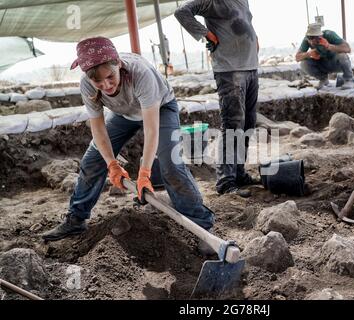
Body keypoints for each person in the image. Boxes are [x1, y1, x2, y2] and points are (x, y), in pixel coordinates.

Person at [42, 37, 214, 246]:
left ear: (119, 65)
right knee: (92, 160)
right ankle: (76, 219)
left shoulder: (140, 73)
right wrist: (112, 165)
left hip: (160, 108)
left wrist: (144, 173)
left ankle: (203, 227)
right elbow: (98, 128)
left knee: (170, 164)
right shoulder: (87, 85)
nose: (106, 85)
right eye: (99, 81)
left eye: (110, 77)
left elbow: (151, 129)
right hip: (125, 114)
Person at [175, 0, 260, 198]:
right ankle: (226, 181)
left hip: (250, 68)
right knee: (232, 125)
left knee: (247, 124)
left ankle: (238, 173)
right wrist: (207, 34)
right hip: (230, 70)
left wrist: (255, 38)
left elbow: (244, 21)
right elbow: (182, 12)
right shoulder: (213, 1)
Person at [295, 23, 354, 90]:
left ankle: (349, 79)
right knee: (304, 63)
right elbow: (297, 57)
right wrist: (309, 54)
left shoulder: (329, 34)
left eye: (314, 38)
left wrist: (329, 46)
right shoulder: (306, 40)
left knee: (342, 56)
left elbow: (348, 49)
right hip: (322, 64)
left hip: (335, 63)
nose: (311, 41)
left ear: (320, 36)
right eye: (309, 38)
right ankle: (323, 79)